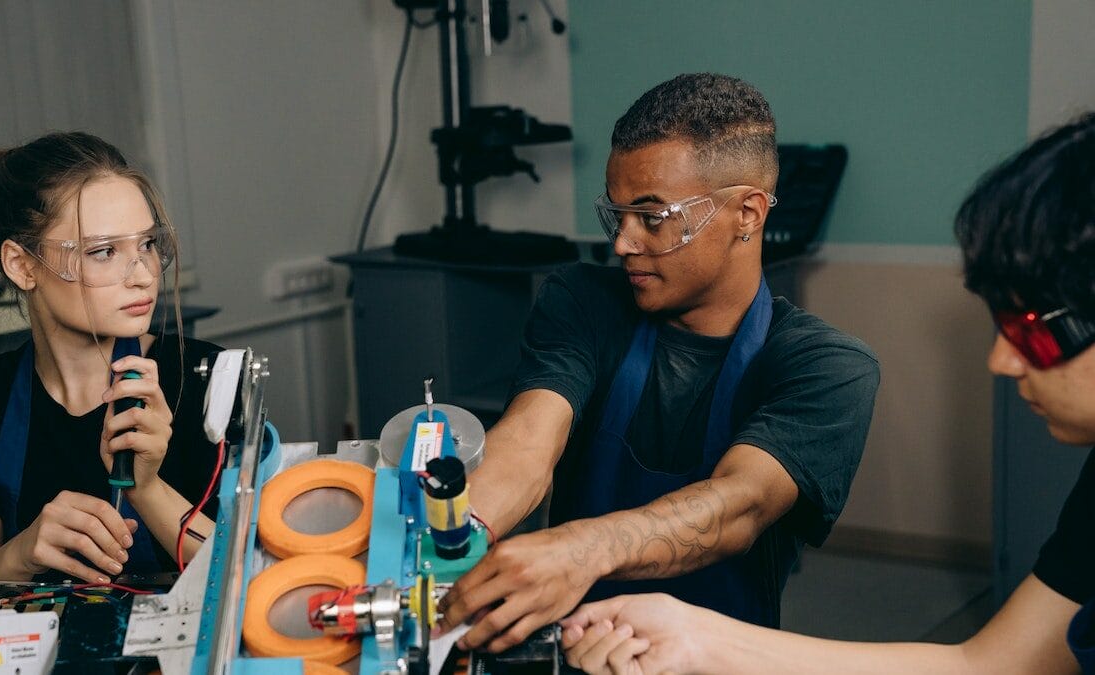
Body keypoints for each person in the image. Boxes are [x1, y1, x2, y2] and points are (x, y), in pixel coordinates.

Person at [560, 112, 1095, 674]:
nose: (1001, 361)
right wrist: (694, 639)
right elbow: (996, 665)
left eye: (1035, 328)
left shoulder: (827, 362)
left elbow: (742, 502)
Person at [436, 73, 880, 652]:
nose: (623, 243)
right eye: (617, 215)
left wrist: (581, 551)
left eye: (652, 216)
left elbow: (735, 507)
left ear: (747, 213)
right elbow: (527, 442)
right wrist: (454, 538)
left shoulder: (826, 367)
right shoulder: (583, 302)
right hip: (570, 652)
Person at [0, 132, 222, 590]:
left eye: (146, 245)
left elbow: (247, 575)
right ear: (21, 265)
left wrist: (146, 488)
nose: (142, 275)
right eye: (103, 252)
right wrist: (21, 553)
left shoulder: (210, 379)